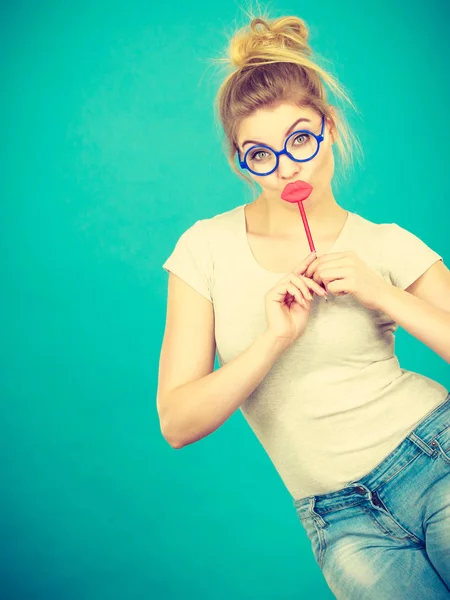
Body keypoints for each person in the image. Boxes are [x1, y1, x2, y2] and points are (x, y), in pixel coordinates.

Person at [157, 11, 450, 600]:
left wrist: (380, 291)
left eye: (299, 139)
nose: (287, 165)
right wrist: (272, 341)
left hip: (435, 455)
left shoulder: (387, 244)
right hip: (339, 520)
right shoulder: (204, 249)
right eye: (259, 154)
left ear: (329, 127)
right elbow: (177, 422)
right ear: (240, 160)